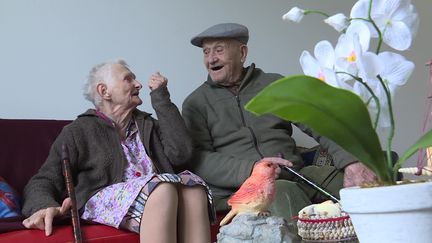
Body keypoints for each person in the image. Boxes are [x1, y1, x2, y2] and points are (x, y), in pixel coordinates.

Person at [182, 23, 376, 228]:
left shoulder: (273, 85)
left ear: (242, 52)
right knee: (282, 191)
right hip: (245, 190)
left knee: (364, 186)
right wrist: (253, 170)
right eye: (206, 52)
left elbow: (319, 120)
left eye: (219, 50)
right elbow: (198, 159)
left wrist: (351, 160)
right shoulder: (196, 103)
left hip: (298, 174)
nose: (211, 58)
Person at [22, 59, 214, 243]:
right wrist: (43, 206)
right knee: (162, 189)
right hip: (109, 199)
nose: (138, 84)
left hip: (159, 193)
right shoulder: (78, 131)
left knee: (193, 188)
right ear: (104, 91)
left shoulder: (147, 125)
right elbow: (44, 180)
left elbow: (182, 153)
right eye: (128, 79)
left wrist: (161, 98)